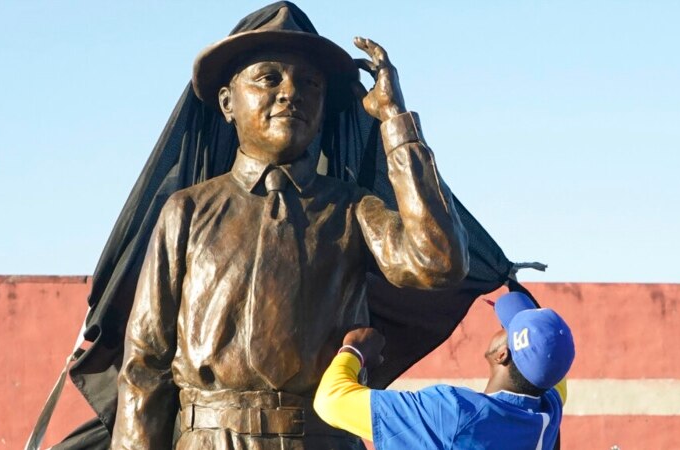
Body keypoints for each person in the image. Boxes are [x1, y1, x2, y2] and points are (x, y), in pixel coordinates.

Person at [109, 2, 472, 449]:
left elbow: (438, 262)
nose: (290, 93)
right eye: (268, 78)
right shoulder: (186, 211)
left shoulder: (352, 209)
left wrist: (395, 122)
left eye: (310, 83)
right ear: (227, 102)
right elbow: (144, 366)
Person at [314, 291, 575, 449]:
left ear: (502, 354)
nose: (500, 326)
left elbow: (331, 401)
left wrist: (355, 350)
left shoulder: (454, 414)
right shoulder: (549, 408)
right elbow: (550, 363)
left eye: (506, 326)